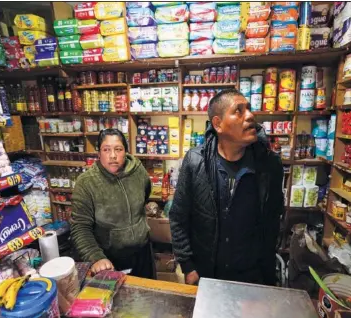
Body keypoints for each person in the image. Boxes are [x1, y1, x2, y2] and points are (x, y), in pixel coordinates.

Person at [170, 89, 284, 286]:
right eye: (238, 111)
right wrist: (188, 267)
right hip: (205, 276)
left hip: (250, 279)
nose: (250, 116)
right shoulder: (195, 161)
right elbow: (178, 218)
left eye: (248, 109)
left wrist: (267, 277)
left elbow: (272, 224)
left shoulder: (268, 165)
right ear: (218, 124)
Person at [70, 128, 155, 278]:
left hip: (143, 252)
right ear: (99, 153)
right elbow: (80, 227)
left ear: (126, 151)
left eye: (118, 149)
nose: (113, 156)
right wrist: (95, 257)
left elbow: (145, 196)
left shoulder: (138, 171)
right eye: (106, 150)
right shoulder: (87, 183)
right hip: (109, 259)